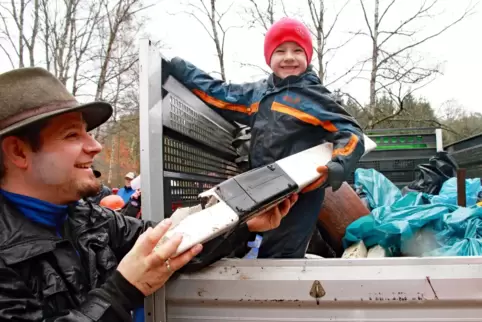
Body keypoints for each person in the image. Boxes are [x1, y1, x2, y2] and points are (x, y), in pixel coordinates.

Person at [0, 67, 298, 321]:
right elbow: (125, 288)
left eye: (88, 132)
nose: (95, 146)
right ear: (18, 152)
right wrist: (121, 292)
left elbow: (174, 243)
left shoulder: (91, 219)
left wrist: (243, 222)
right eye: (72, 135)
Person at [168, 17, 365, 259]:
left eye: (297, 50)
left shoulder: (314, 96)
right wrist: (181, 68)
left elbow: (350, 131)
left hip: (299, 195)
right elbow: (220, 94)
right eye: (280, 50)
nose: (289, 57)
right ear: (269, 58)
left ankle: (284, 295)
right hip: (262, 189)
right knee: (261, 245)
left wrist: (339, 163)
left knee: (283, 254)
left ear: (308, 57)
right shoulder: (258, 94)